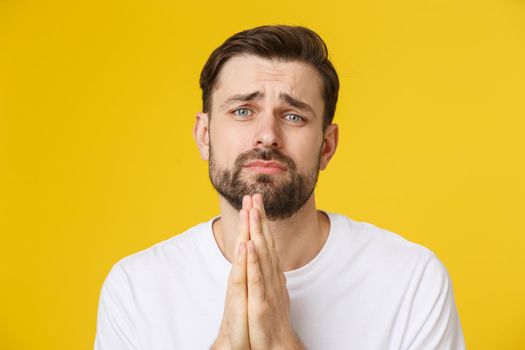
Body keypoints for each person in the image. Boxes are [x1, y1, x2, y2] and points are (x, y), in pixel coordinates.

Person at [94, 25, 465, 350]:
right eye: (243, 111)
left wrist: (281, 342)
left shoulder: (410, 280)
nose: (267, 136)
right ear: (204, 135)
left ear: (326, 146)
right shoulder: (135, 288)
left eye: (293, 116)